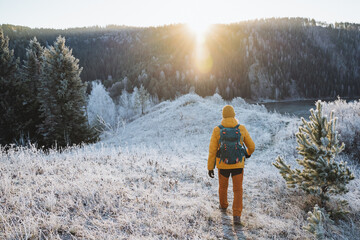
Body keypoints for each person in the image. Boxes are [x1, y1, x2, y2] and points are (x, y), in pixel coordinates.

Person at [207, 105, 255, 225]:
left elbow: (212, 150)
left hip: (222, 165)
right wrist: (247, 154)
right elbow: (252, 146)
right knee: (238, 190)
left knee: (223, 187)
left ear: (223, 115)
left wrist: (210, 167)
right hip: (238, 165)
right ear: (234, 115)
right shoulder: (241, 128)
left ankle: (223, 207)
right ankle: (237, 216)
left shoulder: (217, 130)